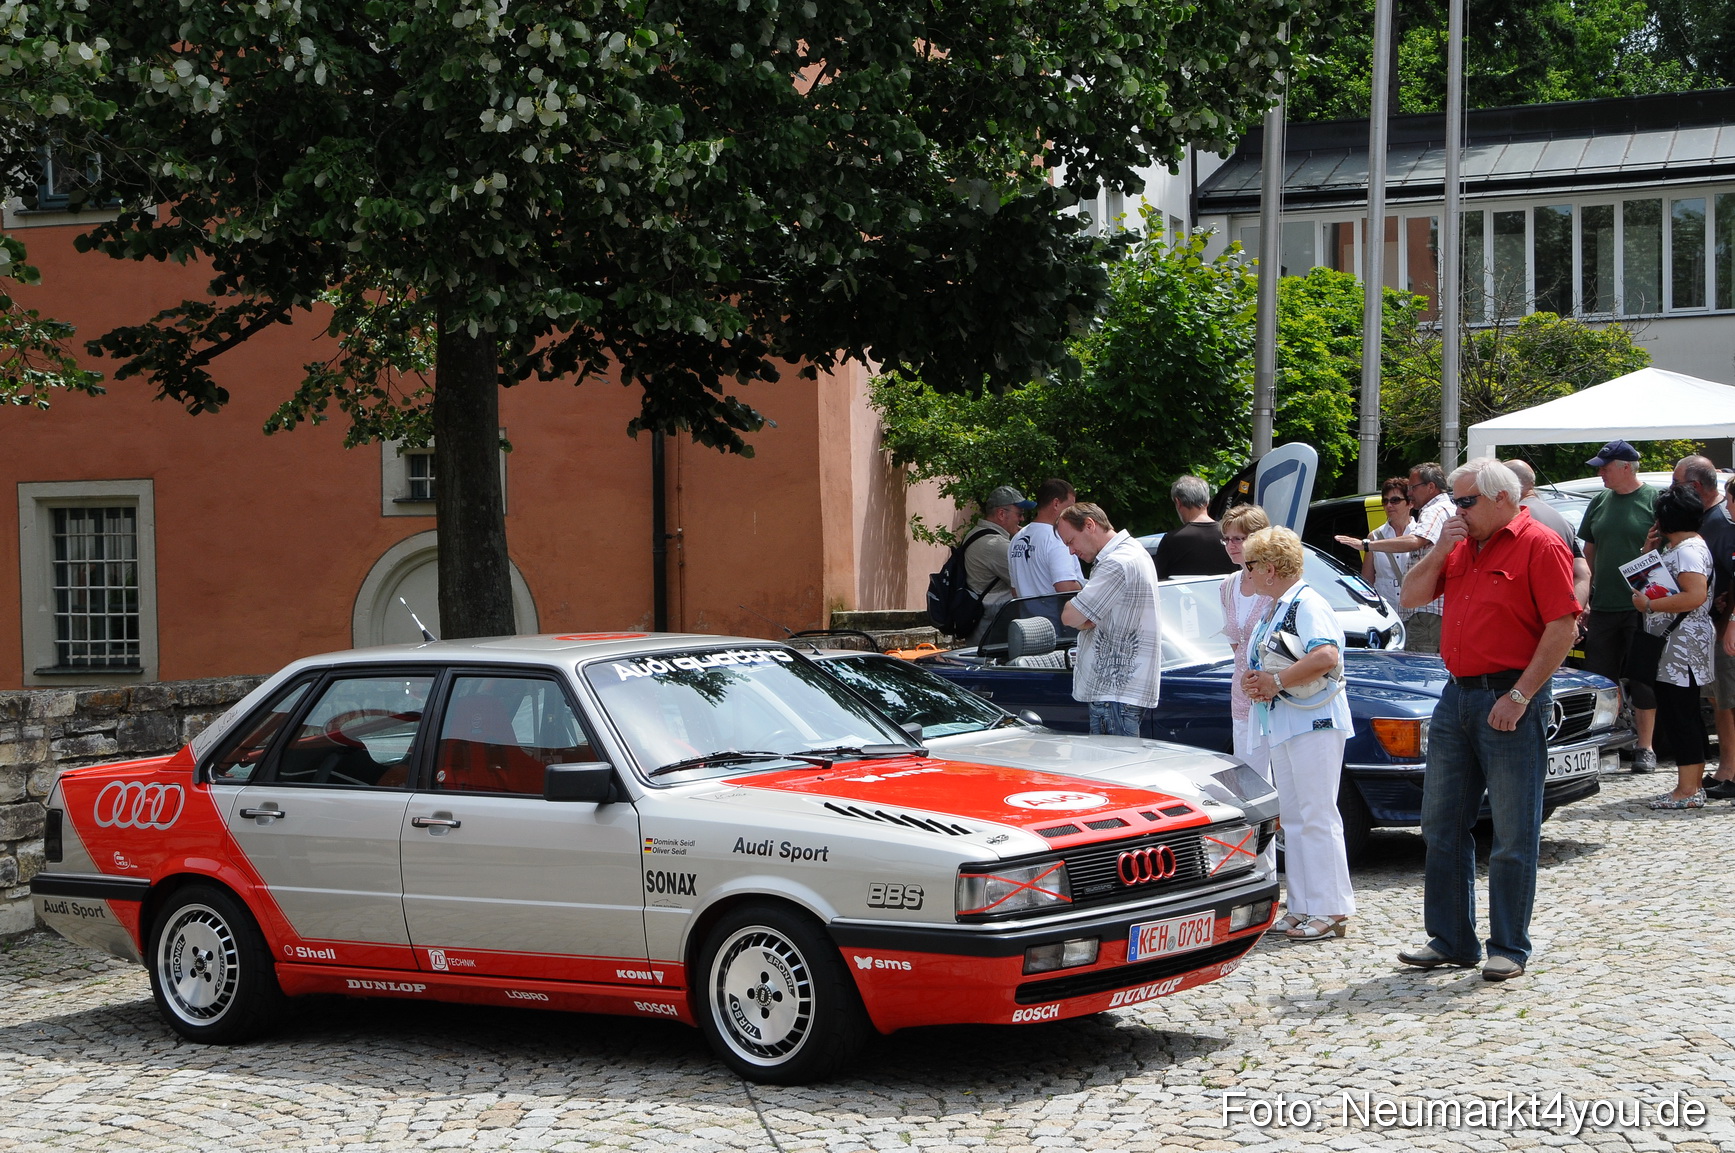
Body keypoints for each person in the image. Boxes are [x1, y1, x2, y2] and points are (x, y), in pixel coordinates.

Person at [1396, 458, 1579, 981]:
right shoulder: (1458, 545)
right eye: (1453, 501)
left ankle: (1508, 947)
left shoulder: (1539, 543)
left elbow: (1562, 628)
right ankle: (1451, 939)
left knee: (1513, 830)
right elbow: (1410, 598)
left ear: (1503, 498)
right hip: (1457, 696)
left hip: (1510, 697)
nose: (1457, 510)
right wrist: (1439, 549)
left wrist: (1521, 696)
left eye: (1466, 501)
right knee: (1441, 824)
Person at [1238, 526, 1355, 942]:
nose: (1244, 571)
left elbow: (1326, 654)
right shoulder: (1277, 605)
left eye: (1250, 564)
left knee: (1317, 814)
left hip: (1314, 721)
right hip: (1288, 721)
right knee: (1296, 817)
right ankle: (1304, 905)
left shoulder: (1306, 602)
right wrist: (1261, 683)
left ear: (1270, 568)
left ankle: (1330, 907)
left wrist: (1276, 681)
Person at [1578, 439, 1660, 772]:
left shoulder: (1654, 499)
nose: (1600, 473)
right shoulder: (1599, 500)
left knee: (1643, 677)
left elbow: (1668, 550)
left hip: (1643, 605)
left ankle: (1646, 746)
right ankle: (1600, 744)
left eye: (1605, 467)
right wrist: (1586, 598)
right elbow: (1589, 552)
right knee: (1599, 678)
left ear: (1626, 467)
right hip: (1605, 605)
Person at [1636, 484, 1713, 809]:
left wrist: (1650, 606)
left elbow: (1694, 595)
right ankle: (1691, 785)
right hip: (1678, 646)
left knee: (1681, 716)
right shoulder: (1685, 547)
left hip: (1680, 648)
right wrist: (1647, 552)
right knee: (1684, 715)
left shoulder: (1687, 551)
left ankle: (1688, 790)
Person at [1058, 503, 1162, 736]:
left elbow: (1069, 616)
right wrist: (1083, 617)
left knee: (1113, 767)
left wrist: (1080, 616)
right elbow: (1080, 616)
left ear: (1089, 525)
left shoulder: (1116, 562)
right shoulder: (1133, 552)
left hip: (1113, 693)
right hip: (1120, 693)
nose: (1071, 552)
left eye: (1071, 541)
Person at [1670, 459, 1735, 798]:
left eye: (1675, 482)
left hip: (1723, 628)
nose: (1671, 487)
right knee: (1719, 699)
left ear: (1694, 487)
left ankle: (1730, 770)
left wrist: (1729, 614)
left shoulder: (1721, 522)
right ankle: (1727, 767)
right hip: (1715, 624)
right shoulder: (1709, 519)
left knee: (1726, 700)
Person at [1338, 463, 1453, 652]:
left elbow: (1416, 541)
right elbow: (1367, 581)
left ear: (1410, 503)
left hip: (1422, 611)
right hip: (1391, 615)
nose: (1389, 505)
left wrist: (1367, 545)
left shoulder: (1429, 520)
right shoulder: (1376, 535)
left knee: (1417, 668)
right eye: (1385, 501)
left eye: (1396, 500)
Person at [1218, 504, 1273, 761]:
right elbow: (1235, 643)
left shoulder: (1274, 581)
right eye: (1227, 539)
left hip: (1275, 690)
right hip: (1242, 690)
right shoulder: (1227, 586)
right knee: (1247, 768)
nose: (1231, 545)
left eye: (1238, 538)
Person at [1504, 459, 1592, 610]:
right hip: (1558, 610)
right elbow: (1583, 571)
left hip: (1528, 613)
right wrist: (1573, 614)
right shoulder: (1561, 519)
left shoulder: (1512, 518)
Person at [963, 485, 1033, 643]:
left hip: (981, 626)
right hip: (992, 628)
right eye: (1019, 514)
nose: (1021, 519)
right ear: (1001, 514)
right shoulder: (995, 545)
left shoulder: (975, 534)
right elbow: (1029, 582)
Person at [1009, 478, 1086, 598]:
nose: (1073, 513)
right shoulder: (1057, 537)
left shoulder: (1017, 538)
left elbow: (1015, 590)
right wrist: (1088, 587)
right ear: (1056, 504)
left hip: (1026, 615)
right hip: (1054, 615)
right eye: (1070, 507)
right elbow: (1066, 588)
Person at [1154, 475, 1237, 580]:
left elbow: (1157, 580)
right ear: (1207, 501)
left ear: (1178, 502)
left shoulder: (1172, 540)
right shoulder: (1231, 536)